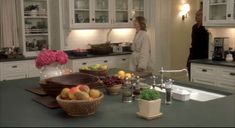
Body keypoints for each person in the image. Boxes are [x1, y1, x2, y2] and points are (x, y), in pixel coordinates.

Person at [187, 7, 209, 78]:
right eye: (196, 15)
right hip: (193, 53)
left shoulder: (206, 27)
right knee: (190, 71)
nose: (196, 17)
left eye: (198, 15)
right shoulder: (194, 27)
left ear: (203, 16)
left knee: (201, 74)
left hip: (203, 54)